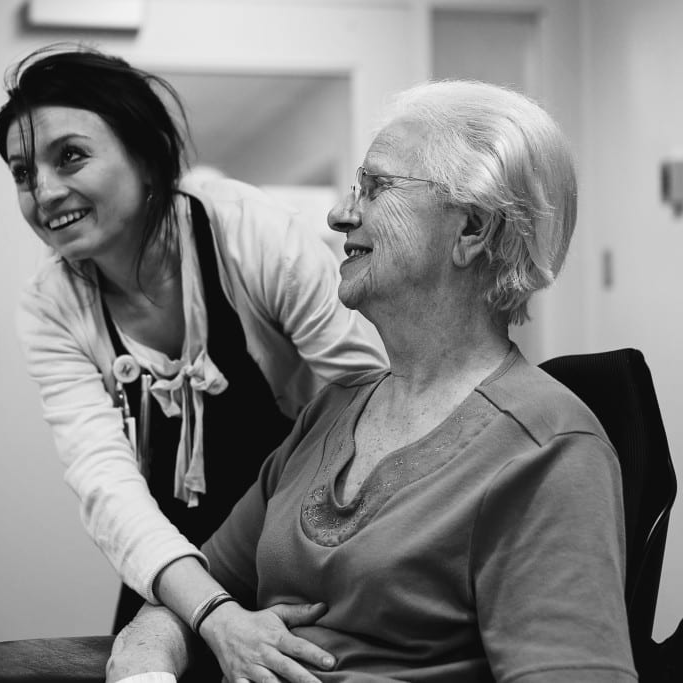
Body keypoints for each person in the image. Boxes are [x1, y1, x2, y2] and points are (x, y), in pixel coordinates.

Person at [108, 79, 637, 682]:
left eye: (376, 187)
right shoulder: (331, 411)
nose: (339, 214)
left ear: (473, 231)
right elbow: (191, 594)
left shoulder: (551, 452)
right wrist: (146, 662)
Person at [0, 43, 387, 668]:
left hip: (300, 540)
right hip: (167, 558)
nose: (42, 190)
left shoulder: (247, 231)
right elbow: (106, 485)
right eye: (22, 172)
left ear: (147, 157)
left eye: (70, 156)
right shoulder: (51, 307)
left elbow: (374, 394)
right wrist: (212, 611)